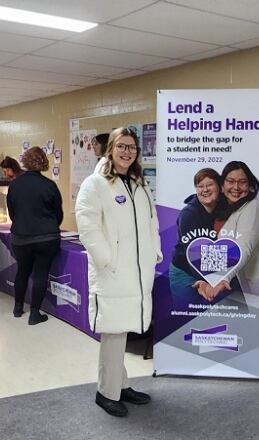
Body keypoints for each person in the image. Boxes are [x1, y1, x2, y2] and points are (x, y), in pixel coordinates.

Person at [75, 127, 161, 417]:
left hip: (137, 271)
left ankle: (120, 384)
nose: (127, 152)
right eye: (122, 146)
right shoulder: (95, 184)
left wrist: (155, 251)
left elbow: (152, 221)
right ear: (110, 148)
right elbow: (87, 226)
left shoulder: (138, 184)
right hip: (112, 271)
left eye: (132, 147)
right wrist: (106, 260)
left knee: (122, 330)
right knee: (113, 333)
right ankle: (106, 392)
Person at [192, 162, 259, 303]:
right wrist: (206, 278)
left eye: (242, 182)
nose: (236, 187)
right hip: (233, 280)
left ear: (249, 185)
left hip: (253, 282)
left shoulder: (253, 208)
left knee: (255, 323)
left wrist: (222, 279)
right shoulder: (224, 208)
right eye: (230, 181)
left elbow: (243, 247)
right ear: (222, 186)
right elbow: (218, 248)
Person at [7, 147, 63, 324]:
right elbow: (58, 214)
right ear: (44, 162)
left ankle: (17, 308)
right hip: (46, 238)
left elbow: (12, 212)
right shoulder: (50, 185)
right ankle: (35, 313)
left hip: (21, 238)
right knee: (41, 273)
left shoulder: (15, 185)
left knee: (22, 271)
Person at [169, 168, 226, 309]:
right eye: (200, 186)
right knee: (186, 317)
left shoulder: (225, 210)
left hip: (211, 271)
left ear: (219, 187)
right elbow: (192, 254)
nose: (205, 190)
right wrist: (204, 281)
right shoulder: (188, 215)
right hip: (185, 272)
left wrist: (216, 278)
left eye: (209, 185)